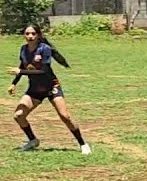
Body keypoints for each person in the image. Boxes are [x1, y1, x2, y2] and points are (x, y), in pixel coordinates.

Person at [7, 25, 91, 155]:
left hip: (51, 87)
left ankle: (83, 144)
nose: (30, 36)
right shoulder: (23, 49)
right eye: (27, 33)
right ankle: (33, 140)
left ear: (38, 35)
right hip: (35, 89)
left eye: (33, 33)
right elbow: (22, 66)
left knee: (65, 116)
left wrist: (20, 71)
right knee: (18, 115)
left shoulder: (44, 49)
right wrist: (14, 83)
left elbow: (44, 71)